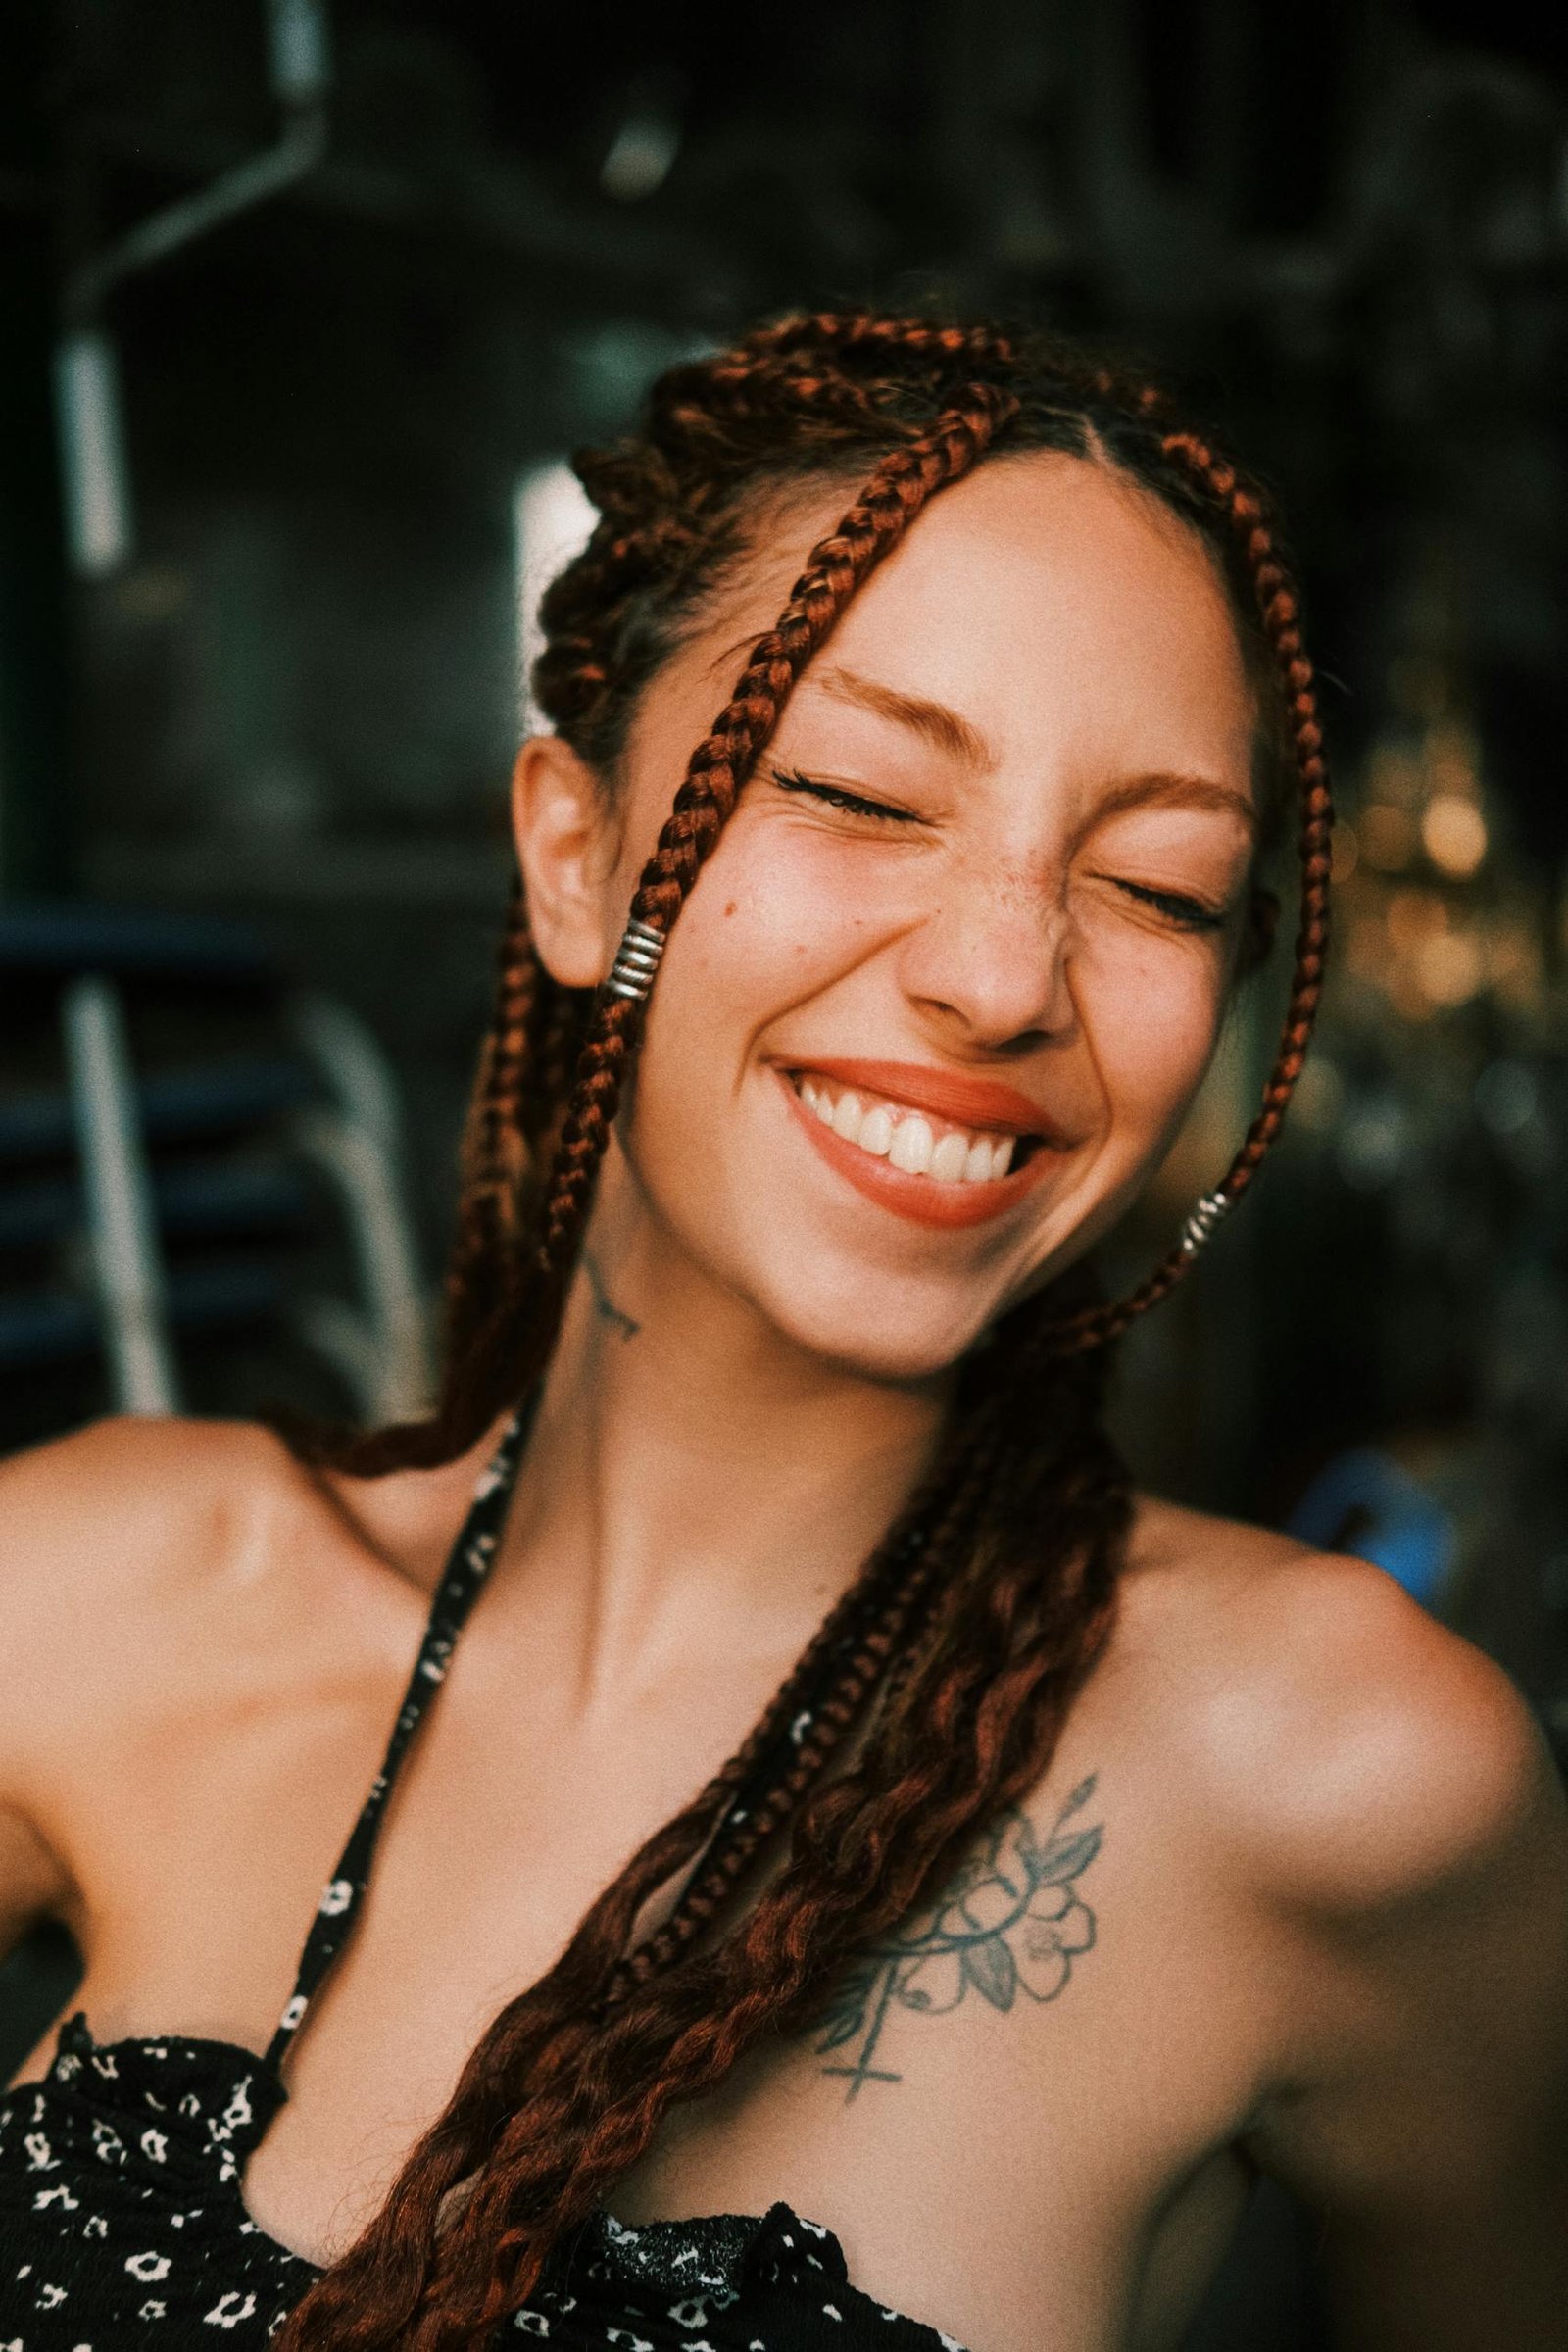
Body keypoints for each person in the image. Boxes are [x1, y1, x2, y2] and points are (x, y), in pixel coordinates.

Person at [2, 313, 1565, 2352]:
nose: (1003, 977)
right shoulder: (99, 1591)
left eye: (1162, 888)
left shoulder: (1350, 1781)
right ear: (575, 859)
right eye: (855, 792)